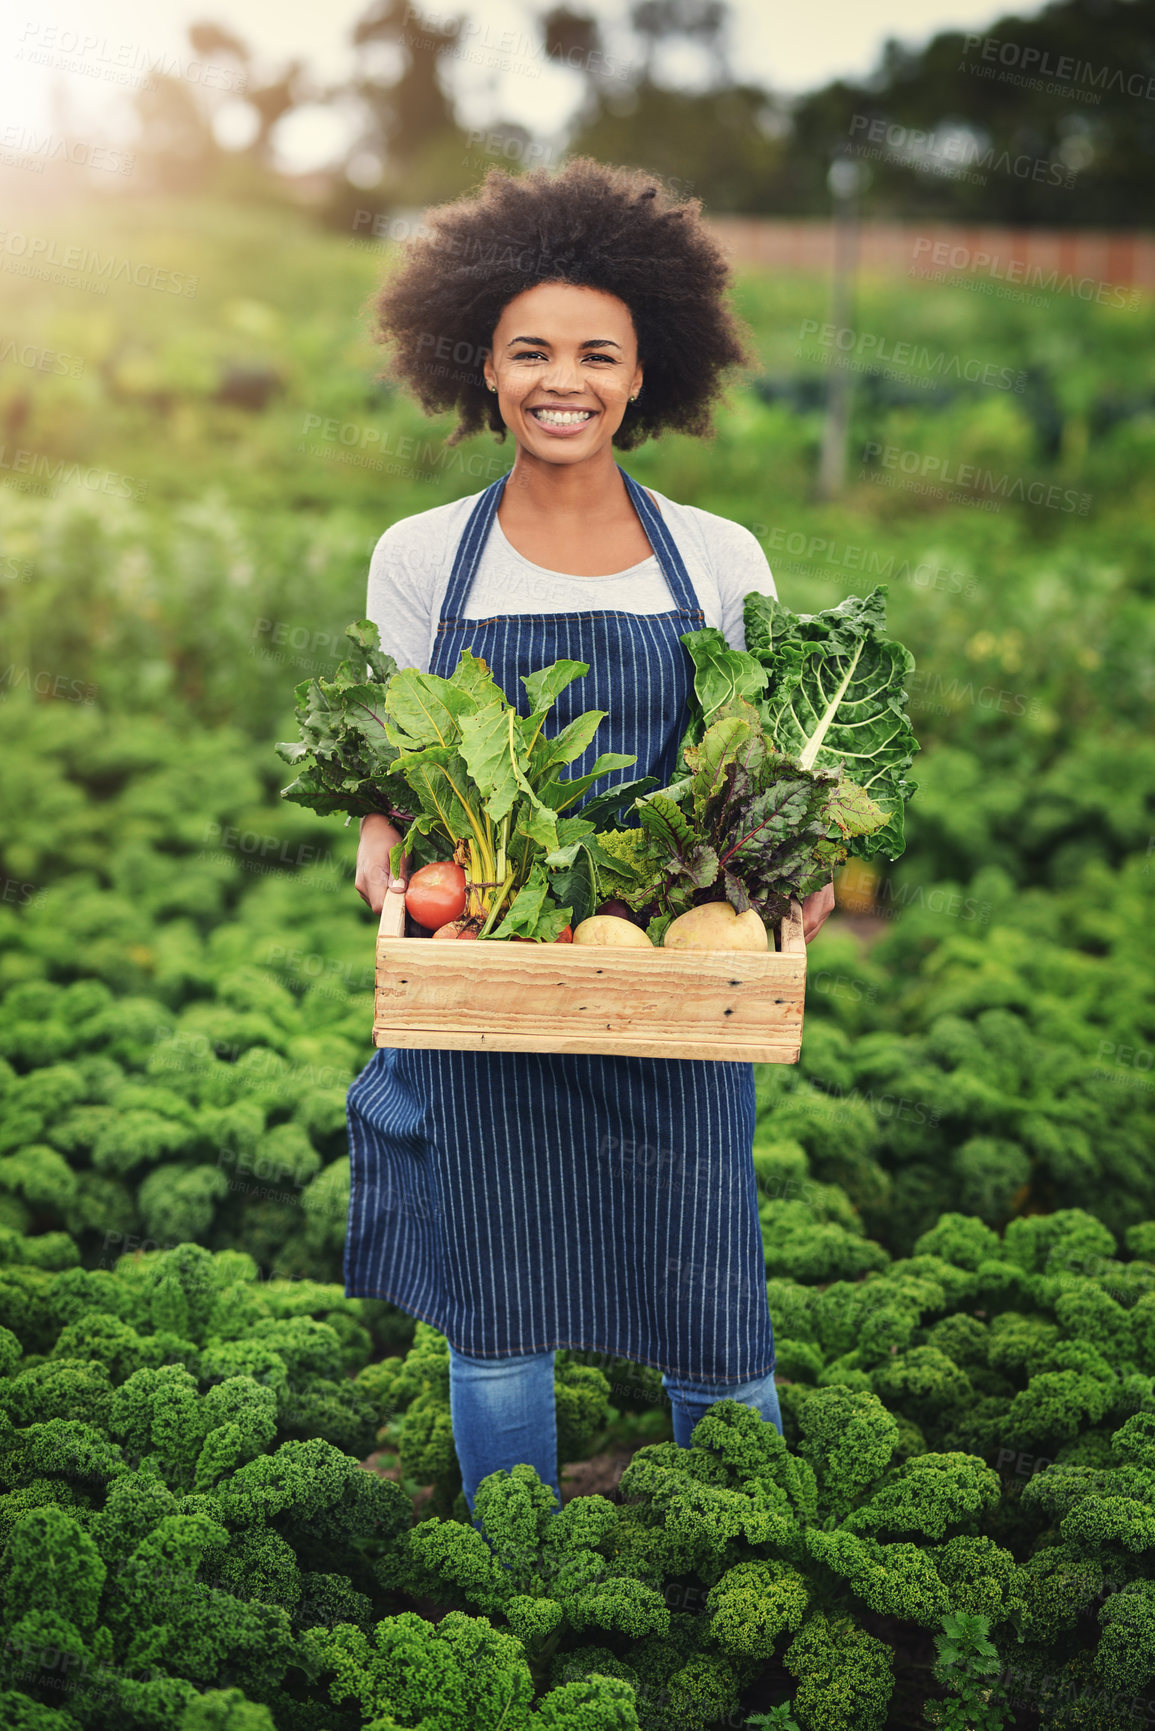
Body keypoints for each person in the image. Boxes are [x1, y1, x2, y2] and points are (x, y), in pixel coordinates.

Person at [348, 157, 835, 1520]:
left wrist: (789, 880)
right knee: (496, 1276)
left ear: (646, 373)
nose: (563, 379)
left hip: (679, 978)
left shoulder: (721, 556)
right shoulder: (423, 557)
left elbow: (764, 768)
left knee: (704, 1268)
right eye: (529, 351)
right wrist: (380, 839)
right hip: (494, 970)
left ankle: (733, 1531)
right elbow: (391, 759)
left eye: (598, 354)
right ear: (482, 369)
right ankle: (514, 1561)